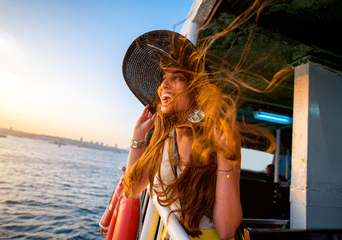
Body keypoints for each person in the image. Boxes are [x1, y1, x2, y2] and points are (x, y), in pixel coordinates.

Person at [121, 4, 291, 239]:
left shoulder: (218, 141)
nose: (163, 86)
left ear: (195, 90)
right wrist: (137, 137)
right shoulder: (163, 140)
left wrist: (226, 156)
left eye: (176, 77)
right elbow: (131, 189)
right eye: (163, 78)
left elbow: (226, 230)